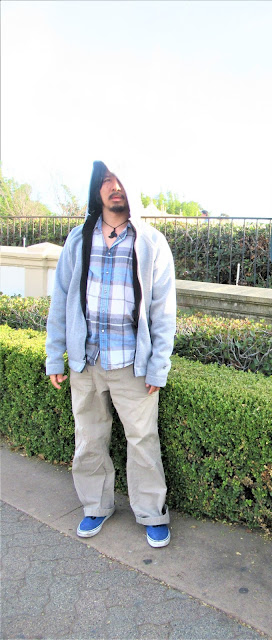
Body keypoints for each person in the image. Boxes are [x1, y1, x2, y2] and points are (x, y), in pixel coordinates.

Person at [46, 160, 176, 548]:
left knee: (142, 441)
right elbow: (60, 300)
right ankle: (95, 506)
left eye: (119, 179)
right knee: (88, 438)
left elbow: (163, 310)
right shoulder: (78, 239)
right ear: (96, 189)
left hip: (131, 365)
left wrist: (158, 366)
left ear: (130, 186)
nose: (113, 186)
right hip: (85, 362)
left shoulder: (151, 242)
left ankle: (152, 513)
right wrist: (55, 355)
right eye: (105, 180)